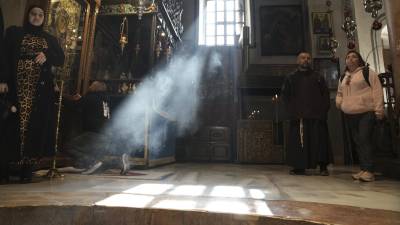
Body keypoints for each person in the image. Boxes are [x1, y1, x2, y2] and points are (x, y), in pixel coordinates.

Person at [0, 5, 65, 182]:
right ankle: (4, 169)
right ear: (28, 16)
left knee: (34, 128)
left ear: (44, 18)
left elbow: (61, 59)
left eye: (40, 15)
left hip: (39, 92)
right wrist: (3, 79)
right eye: (33, 14)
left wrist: (47, 54)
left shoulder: (49, 39)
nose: (36, 17)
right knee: (10, 126)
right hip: (16, 88)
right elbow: (4, 55)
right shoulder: (14, 32)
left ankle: (26, 170)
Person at [281, 52, 333, 176]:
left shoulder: (318, 77)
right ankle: (299, 166)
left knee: (319, 141)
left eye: (308, 58)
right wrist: (291, 112)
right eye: (303, 58)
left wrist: (323, 111)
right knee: (299, 142)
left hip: (317, 115)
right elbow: (285, 96)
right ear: (297, 61)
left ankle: (323, 167)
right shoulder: (290, 78)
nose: (306, 60)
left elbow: (325, 95)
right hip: (298, 115)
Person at [63, 81, 131, 175]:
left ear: (95, 88)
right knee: (99, 156)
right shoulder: (106, 100)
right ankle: (119, 161)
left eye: (91, 85)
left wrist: (60, 96)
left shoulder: (91, 97)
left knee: (70, 146)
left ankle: (90, 162)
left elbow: (74, 106)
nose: (89, 86)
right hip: (107, 134)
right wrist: (82, 99)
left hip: (94, 133)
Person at [336, 50, 384, 182]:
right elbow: (340, 93)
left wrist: (379, 110)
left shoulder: (367, 72)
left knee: (365, 140)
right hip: (350, 113)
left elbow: (377, 90)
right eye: (348, 57)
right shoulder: (343, 77)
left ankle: (369, 170)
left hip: (366, 112)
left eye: (354, 57)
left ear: (359, 60)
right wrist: (339, 103)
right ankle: (363, 168)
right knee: (358, 142)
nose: (350, 59)